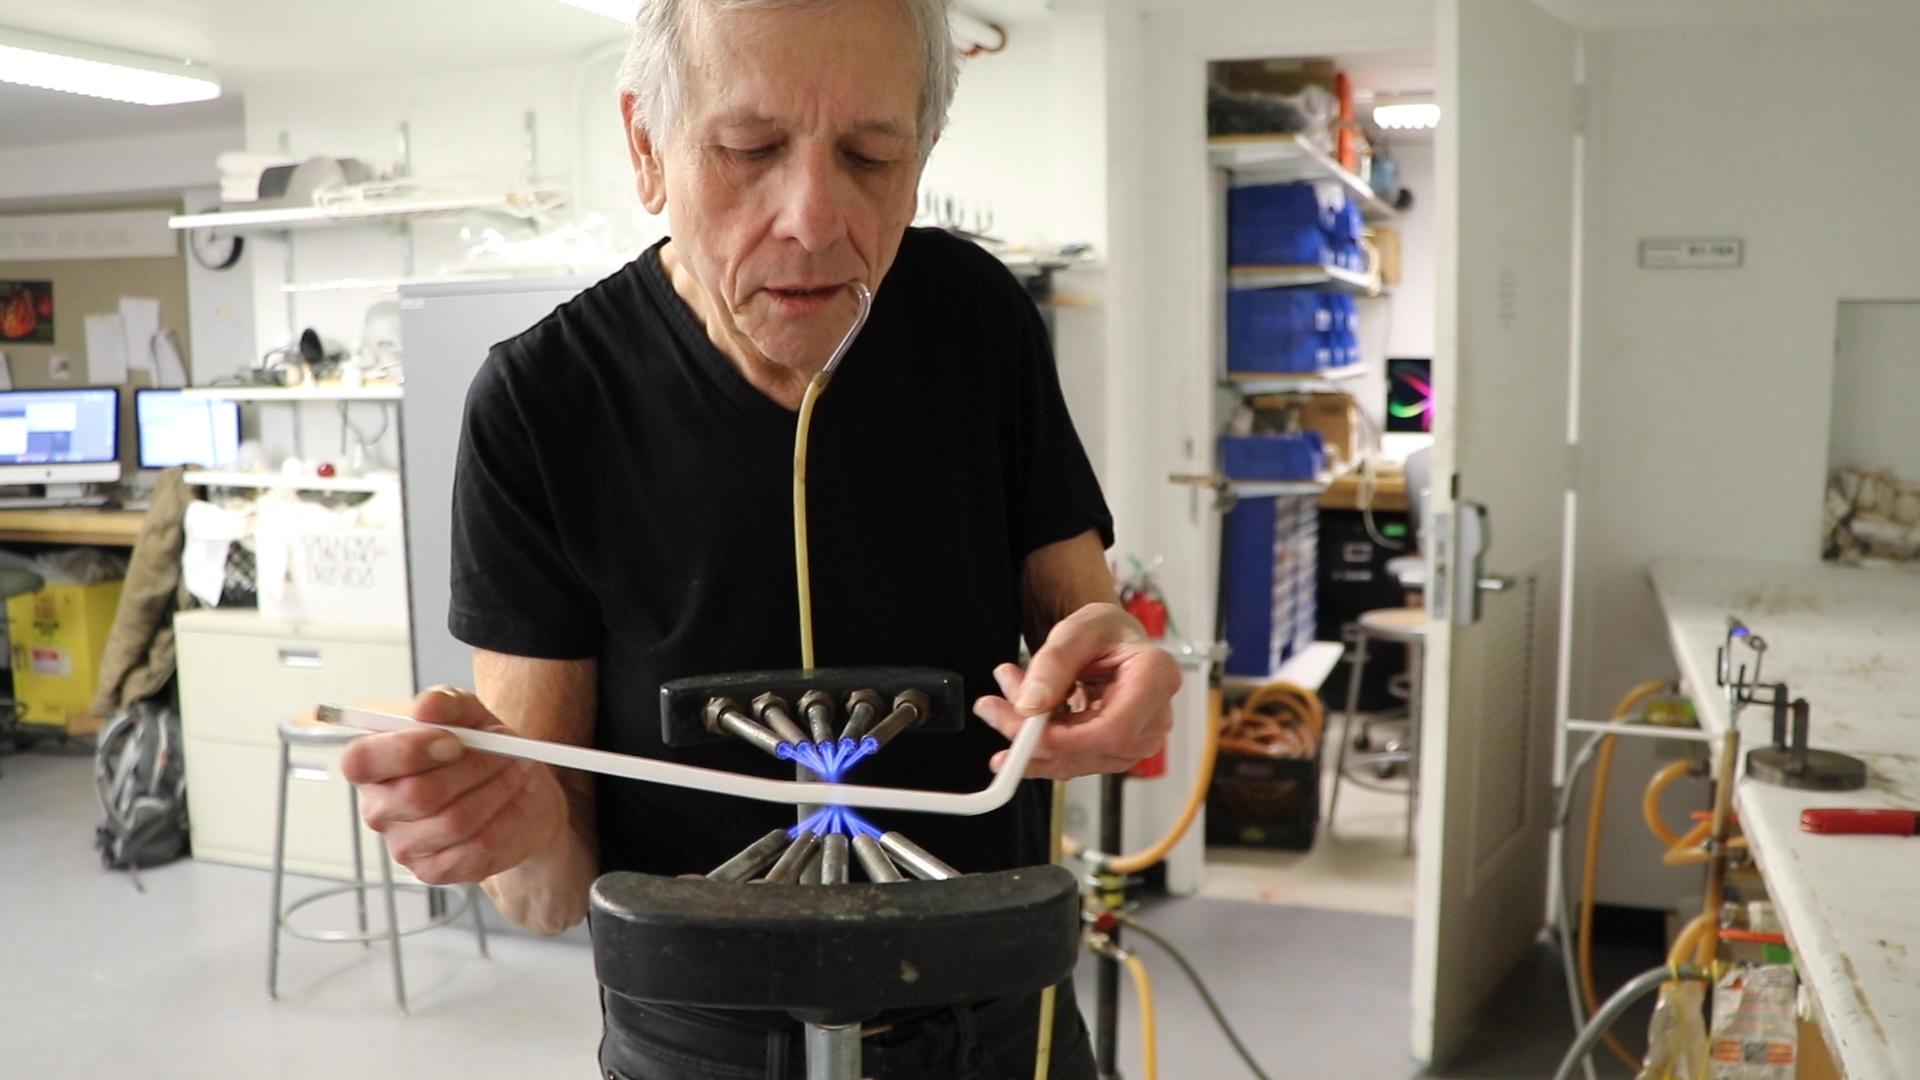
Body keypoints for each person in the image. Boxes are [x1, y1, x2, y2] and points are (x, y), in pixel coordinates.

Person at [340, 0, 1179, 1076]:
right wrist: (494, 821)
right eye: (749, 148)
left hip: (999, 1015)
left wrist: (1116, 672)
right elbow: (546, 890)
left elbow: (1084, 623)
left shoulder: (976, 322)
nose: (816, 217)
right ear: (648, 146)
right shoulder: (546, 402)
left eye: (873, 156)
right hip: (705, 1040)